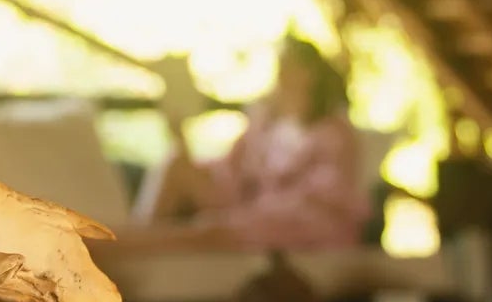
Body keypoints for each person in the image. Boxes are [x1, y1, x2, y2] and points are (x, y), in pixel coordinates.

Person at [130, 35, 369, 251]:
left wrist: (249, 214)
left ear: (309, 75)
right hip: (245, 210)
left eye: (289, 66)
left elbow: (325, 199)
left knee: (211, 233)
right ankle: (136, 238)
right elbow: (228, 178)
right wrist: (180, 141)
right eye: (280, 66)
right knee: (177, 166)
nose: (281, 74)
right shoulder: (263, 127)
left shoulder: (333, 134)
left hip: (296, 223)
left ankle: (136, 248)